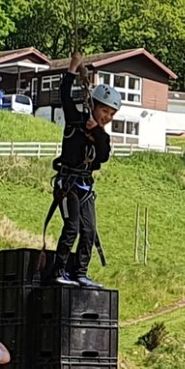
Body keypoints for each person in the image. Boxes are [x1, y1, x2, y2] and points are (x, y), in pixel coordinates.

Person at [49, 59, 122, 288]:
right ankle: (58, 271)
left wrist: (97, 131)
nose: (107, 117)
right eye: (104, 111)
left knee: (89, 231)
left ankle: (80, 273)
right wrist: (72, 69)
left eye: (111, 114)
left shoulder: (103, 136)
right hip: (67, 184)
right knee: (72, 227)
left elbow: (103, 156)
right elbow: (65, 96)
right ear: (94, 106)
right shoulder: (75, 120)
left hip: (85, 187)